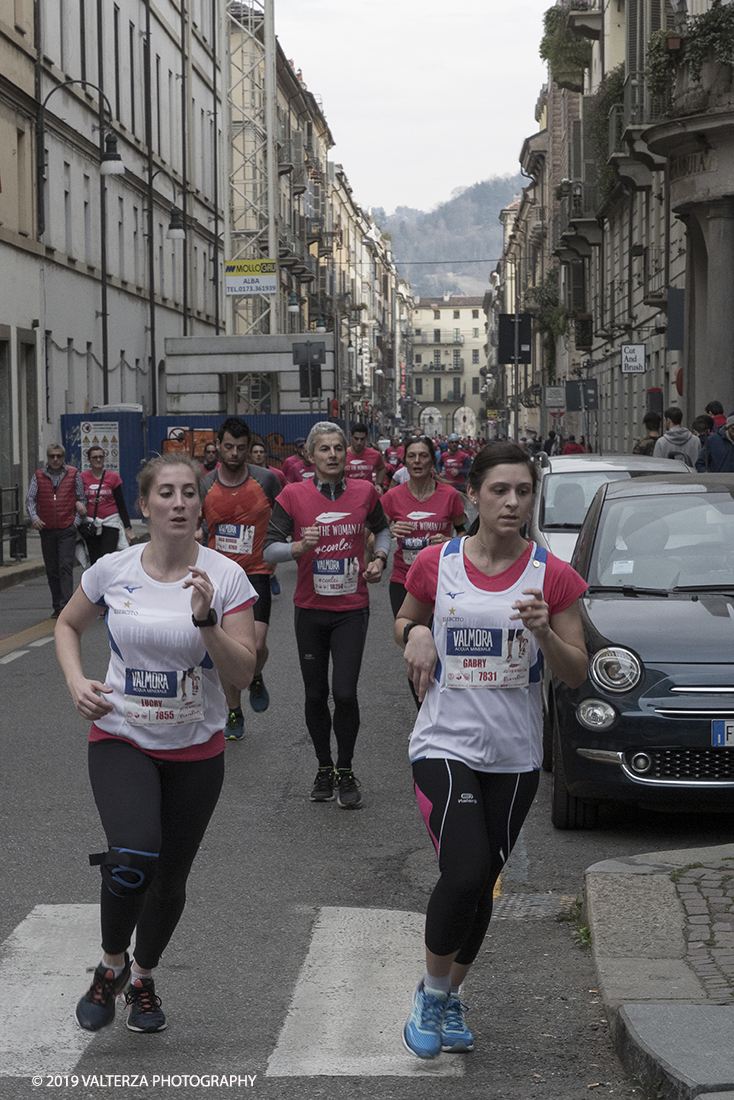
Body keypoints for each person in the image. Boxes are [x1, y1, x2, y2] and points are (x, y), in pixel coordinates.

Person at [394, 442, 588, 1060]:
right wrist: (418, 632)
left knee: (483, 886)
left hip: (515, 753)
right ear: (473, 494)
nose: (512, 502)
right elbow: (404, 618)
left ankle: (451, 998)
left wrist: (543, 634)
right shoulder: (437, 562)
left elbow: (577, 670)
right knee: (467, 871)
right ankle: (429, 994)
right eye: (500, 490)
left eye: (524, 492)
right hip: (444, 741)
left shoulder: (551, 575)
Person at [55, 453, 257, 1034]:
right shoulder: (114, 570)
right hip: (121, 736)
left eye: (189, 493)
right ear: (144, 506)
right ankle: (110, 964)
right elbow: (67, 626)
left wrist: (206, 620)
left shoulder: (226, 577)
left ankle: (143, 976)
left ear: (201, 505)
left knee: (170, 878)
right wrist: (76, 681)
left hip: (197, 750)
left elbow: (241, 675)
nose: (178, 503)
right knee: (134, 854)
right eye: (165, 493)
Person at [263, 422, 391, 808]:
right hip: (310, 610)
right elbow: (269, 550)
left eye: (339, 448)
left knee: (345, 693)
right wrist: (299, 547)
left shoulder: (365, 492)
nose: (334, 455)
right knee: (316, 694)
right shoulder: (292, 495)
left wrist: (380, 558)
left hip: (351, 609)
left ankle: (346, 768)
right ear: (310, 456)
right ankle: (323, 766)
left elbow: (382, 530)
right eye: (325, 449)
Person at [200, 417, 281, 739]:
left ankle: (255, 675)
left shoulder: (267, 480)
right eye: (228, 447)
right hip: (218, 577)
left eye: (241, 448)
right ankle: (234, 711)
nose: (234, 453)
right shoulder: (204, 483)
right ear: (218, 446)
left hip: (256, 572)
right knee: (225, 650)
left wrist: (282, 545)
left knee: (257, 646)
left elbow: (286, 514)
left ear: (250, 450)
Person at [382, 435, 466, 620]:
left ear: (433, 461)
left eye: (423, 456)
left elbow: (466, 532)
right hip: (403, 580)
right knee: (411, 640)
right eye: (411, 456)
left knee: (440, 641)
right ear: (404, 462)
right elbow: (373, 536)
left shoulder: (449, 495)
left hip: (442, 578)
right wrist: (388, 532)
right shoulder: (392, 496)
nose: (417, 461)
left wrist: (450, 541)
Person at [25, 443, 88, 617]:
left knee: (65, 567)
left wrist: (75, 522)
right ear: (47, 457)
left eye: (59, 456)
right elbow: (30, 499)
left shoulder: (74, 474)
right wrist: (34, 518)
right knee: (52, 569)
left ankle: (66, 606)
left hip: (67, 528)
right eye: (52, 456)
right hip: (46, 529)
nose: (55, 459)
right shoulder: (38, 476)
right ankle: (56, 605)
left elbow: (82, 498)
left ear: (63, 457)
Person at [80, 447, 135, 564]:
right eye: (95, 457)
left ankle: (108, 581)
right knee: (94, 559)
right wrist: (77, 504)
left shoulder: (113, 478)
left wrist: (128, 528)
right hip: (90, 524)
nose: (98, 460)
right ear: (89, 459)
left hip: (110, 522)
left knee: (107, 558)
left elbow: (121, 503)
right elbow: (75, 497)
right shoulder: (82, 478)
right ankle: (96, 582)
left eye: (101, 457)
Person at [249, 441, 286, 595]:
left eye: (261, 452)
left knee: (267, 553)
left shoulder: (276, 475)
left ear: (265, 455)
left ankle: (270, 575)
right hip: (250, 521)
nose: (258, 455)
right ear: (250, 455)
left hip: (269, 521)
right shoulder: (245, 475)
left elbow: (283, 498)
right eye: (255, 452)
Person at [344, 422, 386, 491]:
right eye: (356, 438)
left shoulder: (375, 455)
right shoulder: (343, 455)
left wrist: (379, 484)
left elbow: (381, 468)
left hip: (366, 494)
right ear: (351, 436)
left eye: (362, 439)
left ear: (366, 437)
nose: (359, 443)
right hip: (347, 493)